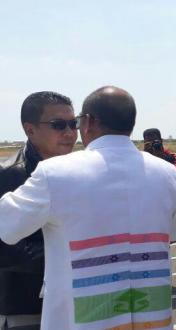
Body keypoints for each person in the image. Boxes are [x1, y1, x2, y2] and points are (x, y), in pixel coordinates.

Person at [0, 86, 176, 329]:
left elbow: (6, 226)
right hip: (150, 319)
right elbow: (175, 232)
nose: (70, 132)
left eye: (74, 123)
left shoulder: (55, 173)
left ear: (87, 122)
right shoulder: (166, 172)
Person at [0, 91, 77, 330]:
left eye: (74, 124)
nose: (70, 132)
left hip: (73, 305)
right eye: (58, 125)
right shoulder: (10, 174)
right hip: (26, 309)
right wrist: (68, 259)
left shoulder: (75, 170)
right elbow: (5, 248)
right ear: (30, 130)